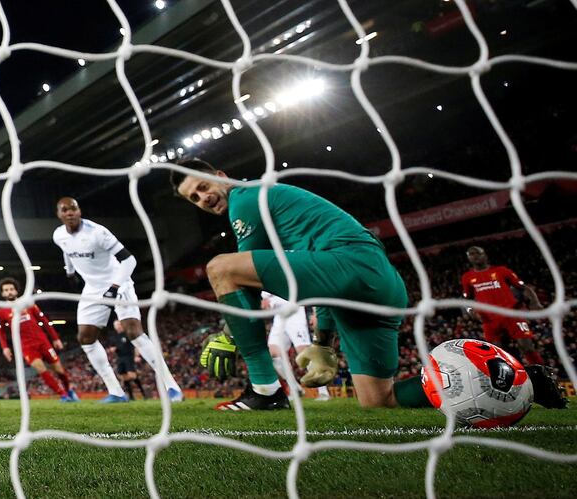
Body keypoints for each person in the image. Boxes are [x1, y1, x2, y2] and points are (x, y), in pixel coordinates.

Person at [172, 158, 566, 411]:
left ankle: (265, 390)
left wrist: (229, 334)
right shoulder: (269, 207)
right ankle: (525, 379)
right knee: (379, 400)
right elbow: (318, 280)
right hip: (374, 286)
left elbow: (246, 281)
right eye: (194, 198)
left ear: (219, 176)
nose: (204, 197)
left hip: (352, 265)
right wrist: (323, 346)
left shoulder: (246, 198)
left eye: (203, 186)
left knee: (220, 267)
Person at [53, 197, 183, 403]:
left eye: (73, 209)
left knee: (133, 331)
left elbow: (129, 260)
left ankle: (172, 388)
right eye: (65, 210)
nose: (70, 213)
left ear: (79, 211)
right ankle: (116, 392)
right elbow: (67, 252)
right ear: (59, 214)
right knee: (85, 337)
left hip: (118, 282)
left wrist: (114, 287)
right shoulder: (58, 235)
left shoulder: (98, 233)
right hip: (93, 288)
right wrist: (70, 273)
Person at [461, 246, 546, 365]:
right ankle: (513, 379)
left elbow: (523, 288)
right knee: (498, 353)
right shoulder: (467, 277)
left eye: (477, 253)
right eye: (471, 254)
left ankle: (544, 375)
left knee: (527, 347)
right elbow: (467, 300)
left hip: (511, 314)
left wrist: (535, 302)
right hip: (490, 320)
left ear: (484, 255)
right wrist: (471, 311)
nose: (474, 256)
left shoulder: (501, 270)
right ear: (469, 258)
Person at [0, 278, 77, 402]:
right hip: (26, 346)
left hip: (42, 341)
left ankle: (68, 391)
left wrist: (55, 338)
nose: (9, 292)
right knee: (41, 369)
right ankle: (63, 395)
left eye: (11, 289)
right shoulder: (1, 312)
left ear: (16, 291)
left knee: (59, 369)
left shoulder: (28, 304)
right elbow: (1, 332)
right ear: (2, 294)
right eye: (6, 290)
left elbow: (44, 321)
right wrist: (5, 348)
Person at [261, 292, 330, 401]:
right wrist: (267, 306)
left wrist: (315, 313)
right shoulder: (263, 285)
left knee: (304, 353)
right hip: (279, 317)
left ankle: (323, 391)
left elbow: (301, 290)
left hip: (295, 314)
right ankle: (295, 389)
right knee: (273, 352)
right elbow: (267, 304)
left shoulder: (285, 275)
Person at [109, 320, 148, 400]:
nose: (118, 326)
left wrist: (136, 356)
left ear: (122, 325)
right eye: (116, 325)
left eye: (119, 324)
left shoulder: (127, 334)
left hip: (129, 357)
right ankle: (131, 396)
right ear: (114, 327)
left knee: (131, 375)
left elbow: (135, 345)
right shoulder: (114, 337)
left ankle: (143, 392)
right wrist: (112, 349)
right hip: (120, 358)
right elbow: (111, 347)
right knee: (123, 376)